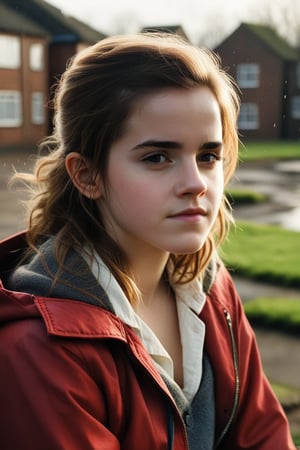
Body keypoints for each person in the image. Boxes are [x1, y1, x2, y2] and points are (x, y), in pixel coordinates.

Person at [0, 33, 295, 450]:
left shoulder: (212, 291)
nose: (196, 183)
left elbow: (265, 438)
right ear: (87, 175)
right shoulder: (37, 350)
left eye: (208, 156)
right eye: (158, 157)